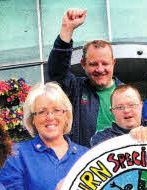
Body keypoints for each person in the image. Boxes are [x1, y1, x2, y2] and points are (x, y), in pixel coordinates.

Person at [48, 8, 121, 147]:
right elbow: (57, 72)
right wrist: (66, 29)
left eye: (105, 63)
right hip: (85, 166)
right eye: (93, 64)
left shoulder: (127, 93)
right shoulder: (75, 89)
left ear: (113, 63)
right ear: (83, 64)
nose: (100, 69)